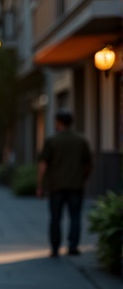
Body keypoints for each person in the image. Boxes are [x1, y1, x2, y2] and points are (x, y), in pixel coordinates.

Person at [36, 110, 93, 257]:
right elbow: (88, 164)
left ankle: (55, 247)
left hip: (56, 185)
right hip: (76, 184)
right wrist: (82, 178)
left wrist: (40, 185)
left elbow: (43, 164)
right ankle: (73, 246)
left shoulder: (52, 141)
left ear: (59, 122)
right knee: (75, 216)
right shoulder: (81, 140)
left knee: (55, 217)